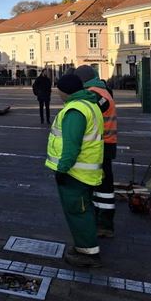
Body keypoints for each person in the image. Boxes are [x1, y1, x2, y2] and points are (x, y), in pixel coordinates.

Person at [45, 73, 104, 268]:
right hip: (87, 170)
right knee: (83, 208)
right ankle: (84, 246)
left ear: (64, 91)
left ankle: (88, 252)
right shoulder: (90, 104)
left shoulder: (75, 110)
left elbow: (72, 145)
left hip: (75, 173)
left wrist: (62, 169)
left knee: (78, 211)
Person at [74, 65, 118, 238]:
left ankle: (105, 223)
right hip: (105, 142)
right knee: (101, 182)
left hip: (102, 144)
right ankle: (101, 219)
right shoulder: (103, 90)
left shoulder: (96, 94)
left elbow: (88, 114)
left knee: (103, 184)